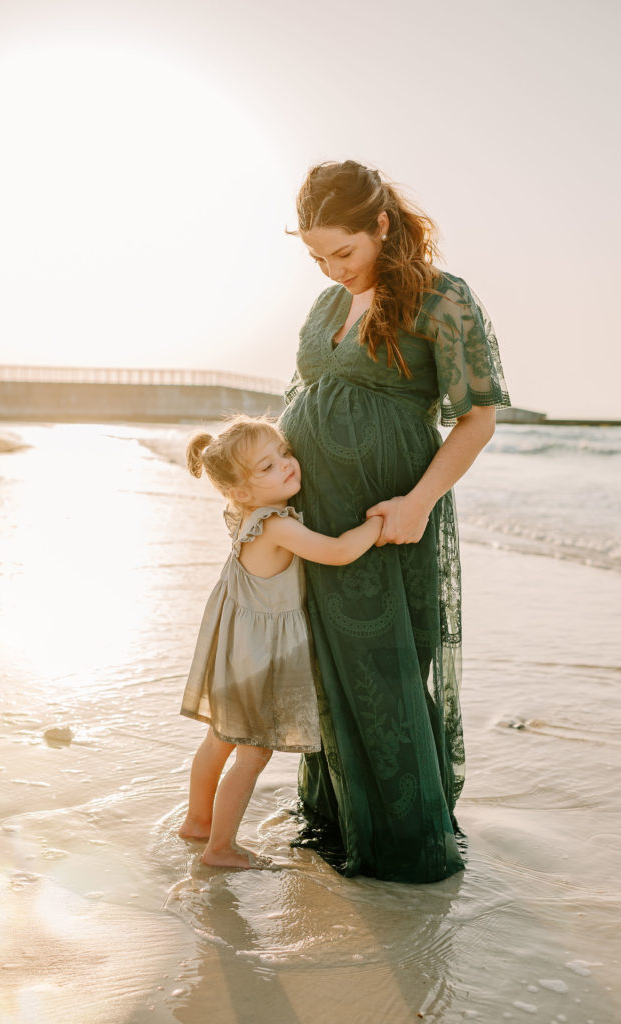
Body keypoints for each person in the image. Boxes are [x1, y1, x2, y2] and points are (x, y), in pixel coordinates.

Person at [280, 159, 510, 883]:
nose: (331, 269)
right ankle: (340, 824)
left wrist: (419, 502)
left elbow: (477, 419)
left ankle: (404, 848)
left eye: (342, 252)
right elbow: (305, 403)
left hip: (390, 520)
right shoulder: (325, 308)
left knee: (387, 673)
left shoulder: (443, 299)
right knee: (327, 670)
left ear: (381, 225)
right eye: (316, 257)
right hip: (316, 524)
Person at [179, 414, 383, 869]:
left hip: (236, 654)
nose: (287, 466)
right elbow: (337, 552)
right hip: (258, 658)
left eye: (285, 454)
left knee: (219, 741)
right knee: (254, 752)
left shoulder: (246, 518)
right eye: (267, 467)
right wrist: (379, 524)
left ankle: (197, 821)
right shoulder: (275, 525)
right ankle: (220, 848)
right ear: (242, 492)